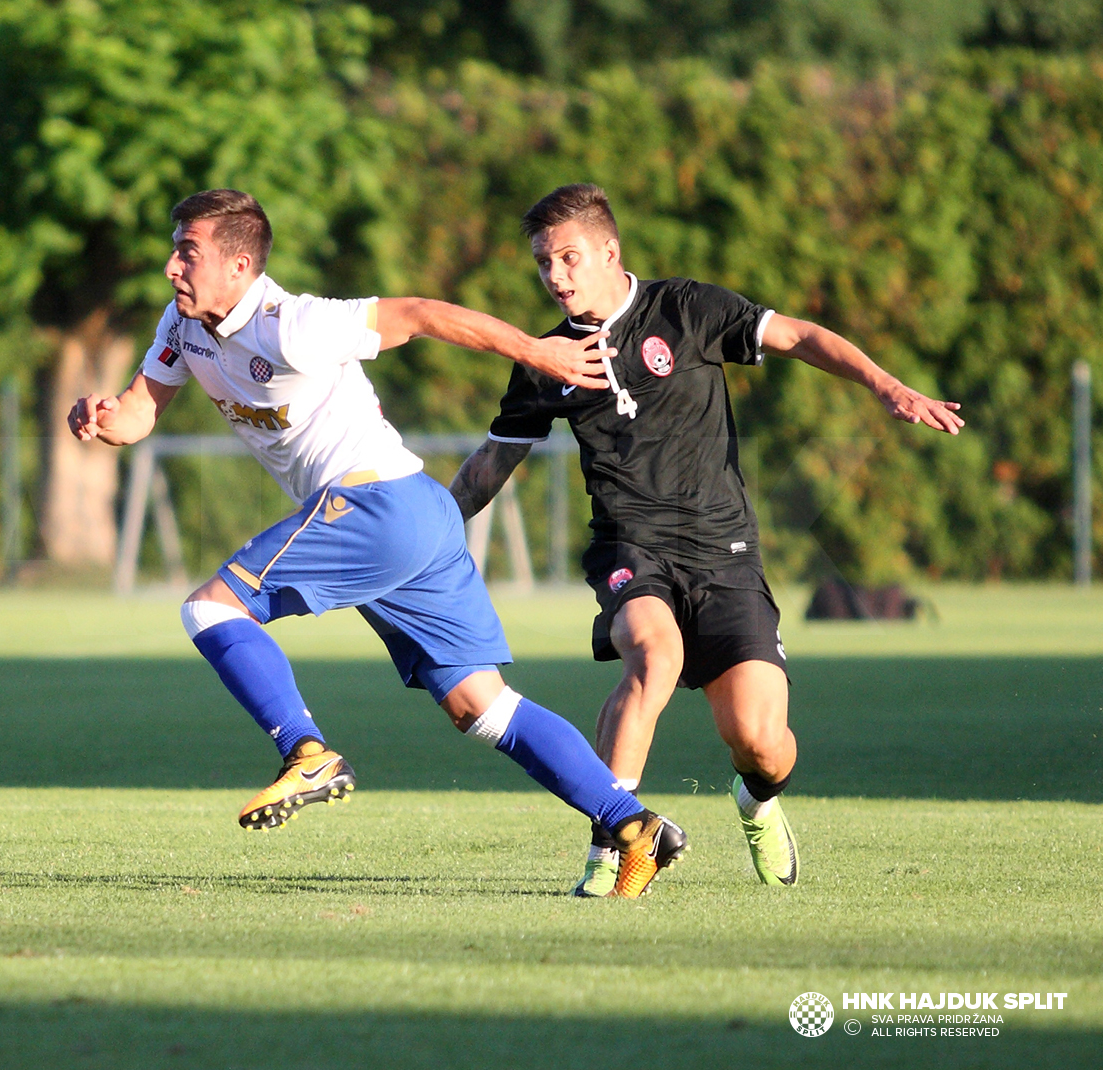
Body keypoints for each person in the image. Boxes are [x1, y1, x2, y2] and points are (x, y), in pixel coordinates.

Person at [68, 188, 686, 897]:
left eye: (188, 252)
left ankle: (306, 753)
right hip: (417, 514)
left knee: (211, 610)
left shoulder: (293, 325)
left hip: (375, 504)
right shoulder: (182, 327)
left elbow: (422, 316)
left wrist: (535, 351)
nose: (172, 267)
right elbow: (139, 416)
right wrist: (104, 416)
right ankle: (633, 823)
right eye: (174, 249)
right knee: (482, 706)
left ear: (240, 265)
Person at [449, 183, 964, 895]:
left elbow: (801, 336)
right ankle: (613, 846)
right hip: (631, 547)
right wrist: (431, 532)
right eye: (543, 263)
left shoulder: (686, 310)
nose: (556, 277)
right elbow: (492, 461)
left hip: (723, 550)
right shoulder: (546, 357)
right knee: (652, 654)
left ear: (608, 251)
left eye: (569, 258)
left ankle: (756, 800)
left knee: (760, 742)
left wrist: (885, 385)